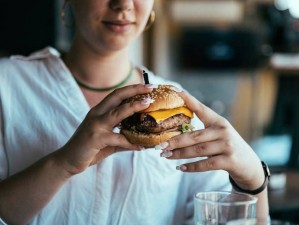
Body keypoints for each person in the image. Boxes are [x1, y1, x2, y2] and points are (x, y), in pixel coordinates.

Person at [0, 0, 269, 224]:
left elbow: (222, 217)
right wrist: (63, 164)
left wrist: (254, 178)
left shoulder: (180, 104)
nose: (123, 5)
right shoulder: (8, 84)